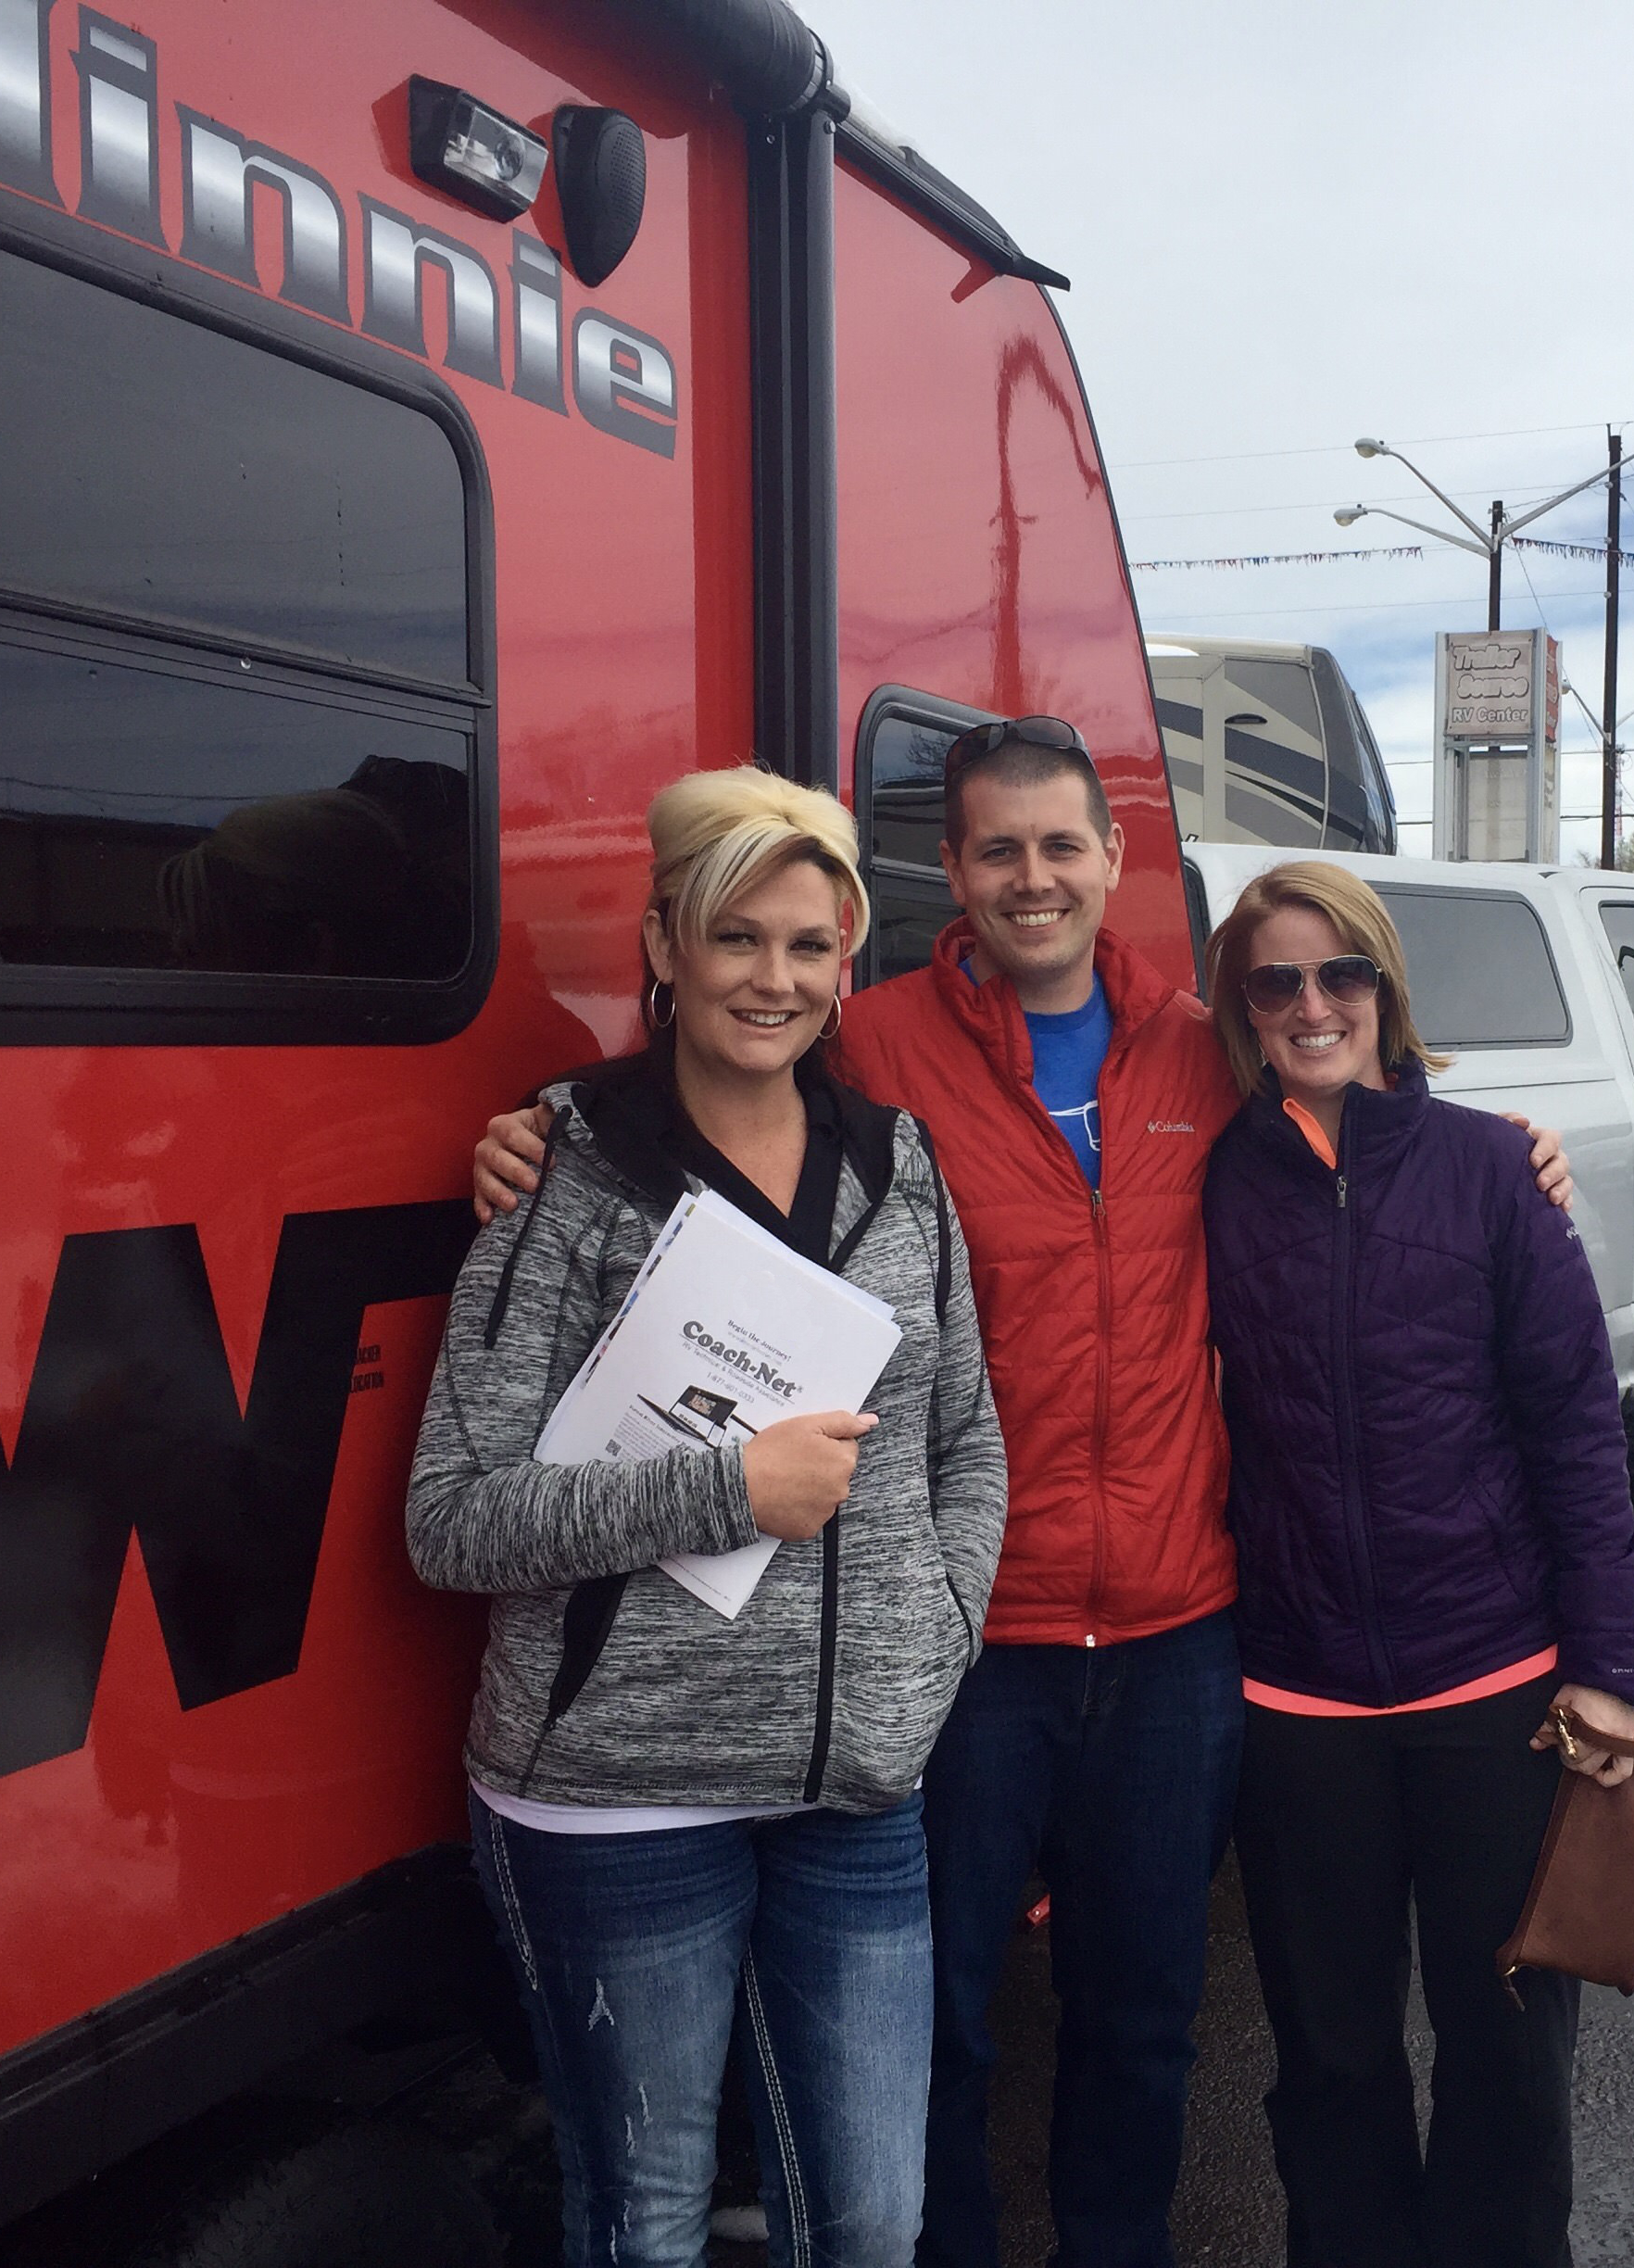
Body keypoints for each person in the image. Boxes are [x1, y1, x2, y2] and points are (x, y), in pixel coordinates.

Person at [471, 720, 1572, 2268]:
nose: (1034, 878)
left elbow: (1370, 1122)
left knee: (1141, 2022)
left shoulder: (1207, 1042)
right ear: (954, 874)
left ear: (1117, 864)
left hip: (1185, 1636)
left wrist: (1516, 1149)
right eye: (998, 849)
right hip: (972, 1643)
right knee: (940, 2034)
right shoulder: (880, 1045)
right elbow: (719, 1068)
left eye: (1064, 846)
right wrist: (539, 1126)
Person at [407, 764, 1006, 2268]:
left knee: (871, 2223)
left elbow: (967, 1439)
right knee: (646, 2224)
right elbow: (453, 1518)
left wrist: (933, 1644)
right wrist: (728, 1488)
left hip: (856, 1792)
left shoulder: (900, 1168)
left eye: (812, 945)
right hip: (617, 1798)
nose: (777, 978)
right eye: (739, 938)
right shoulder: (563, 1169)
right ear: (666, 946)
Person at [1198, 860, 1634, 2268]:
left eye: (1345, 975)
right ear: (1246, 1005)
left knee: (1510, 2063)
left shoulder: (1492, 1174)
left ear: (1389, 993)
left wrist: (1612, 1671)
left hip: (1496, 1696)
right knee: (1331, 2068)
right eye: (1280, 979)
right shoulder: (1210, 1185)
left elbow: (1577, 1433)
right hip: (1300, 1708)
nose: (1315, 1004)